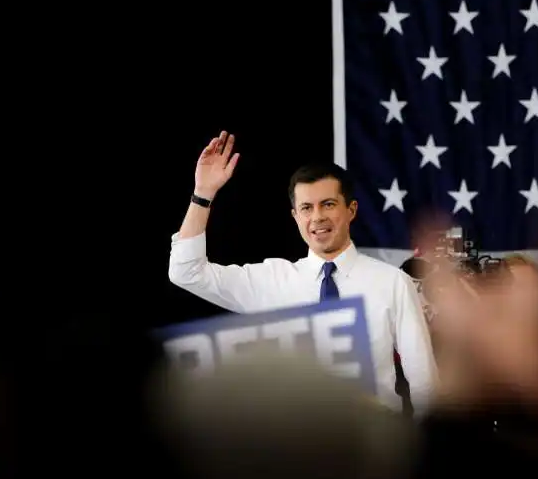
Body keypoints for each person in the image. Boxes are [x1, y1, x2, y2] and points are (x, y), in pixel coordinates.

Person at [168, 131, 436, 412]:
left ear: (351, 210)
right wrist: (203, 194)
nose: (317, 217)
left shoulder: (393, 282)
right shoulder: (271, 280)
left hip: (376, 448)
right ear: (296, 216)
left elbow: (425, 385)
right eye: (306, 208)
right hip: (294, 449)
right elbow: (186, 272)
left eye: (328, 204)